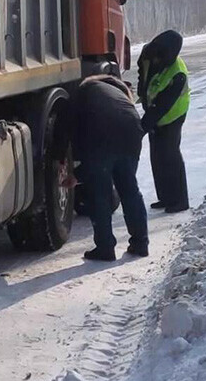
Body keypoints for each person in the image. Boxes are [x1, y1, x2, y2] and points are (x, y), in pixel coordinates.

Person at [58, 75, 149, 261]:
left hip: (101, 137)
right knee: (130, 190)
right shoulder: (117, 94)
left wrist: (60, 159)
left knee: (99, 194)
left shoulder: (82, 93)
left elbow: (63, 127)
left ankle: (105, 248)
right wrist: (79, 174)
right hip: (132, 132)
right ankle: (140, 243)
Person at [138, 30, 190, 214]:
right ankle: (165, 197)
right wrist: (142, 95)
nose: (158, 61)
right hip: (153, 110)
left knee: (170, 155)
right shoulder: (148, 53)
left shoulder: (177, 74)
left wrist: (142, 128)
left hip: (173, 114)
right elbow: (142, 75)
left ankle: (180, 200)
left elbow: (162, 106)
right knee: (157, 156)